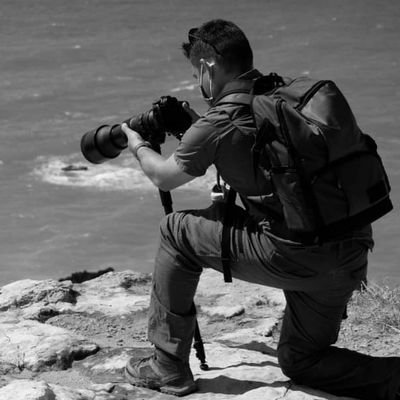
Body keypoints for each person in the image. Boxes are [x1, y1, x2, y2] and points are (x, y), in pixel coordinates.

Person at [121, 19, 400, 399]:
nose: (196, 82)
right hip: (349, 252)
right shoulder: (283, 97)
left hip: (296, 257)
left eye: (195, 74)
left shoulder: (219, 122)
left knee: (175, 230)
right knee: (301, 360)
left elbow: (163, 177)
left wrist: (137, 143)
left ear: (208, 68)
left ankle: (168, 367)